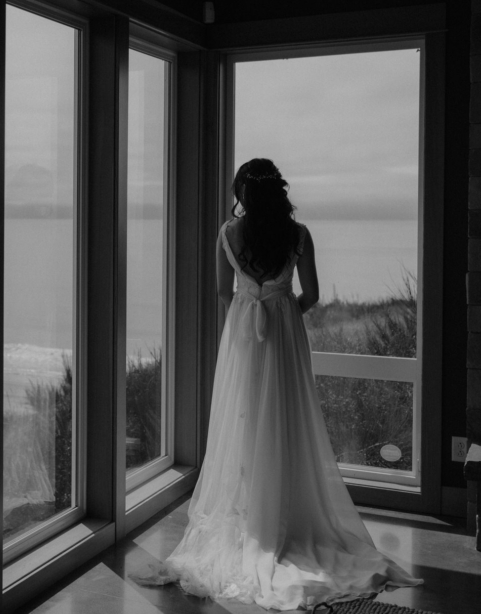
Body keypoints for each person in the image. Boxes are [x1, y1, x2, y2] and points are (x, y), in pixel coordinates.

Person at [136, 159, 422, 609]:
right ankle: (284, 509)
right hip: (285, 337)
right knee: (286, 420)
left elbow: (223, 292)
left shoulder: (228, 234)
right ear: (278, 192)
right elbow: (313, 294)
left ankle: (253, 514)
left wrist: (247, 314)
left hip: (243, 337)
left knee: (245, 420)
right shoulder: (298, 235)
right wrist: (283, 311)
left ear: (242, 193)